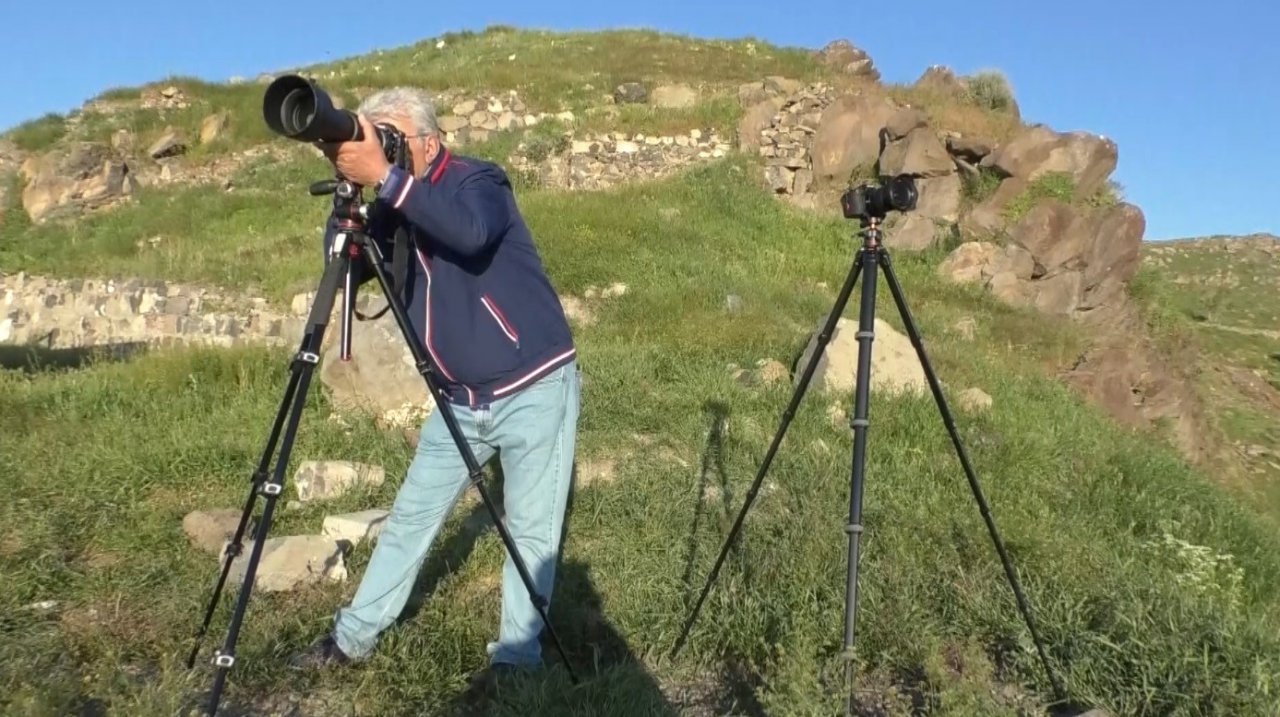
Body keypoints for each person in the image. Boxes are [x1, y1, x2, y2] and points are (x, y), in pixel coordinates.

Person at [289, 87, 581, 680]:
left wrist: (386, 179)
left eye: (390, 135)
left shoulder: (479, 182)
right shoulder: (392, 210)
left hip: (533, 385)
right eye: (375, 135)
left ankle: (517, 659)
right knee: (410, 519)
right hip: (457, 401)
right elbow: (343, 265)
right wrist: (348, 196)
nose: (384, 147)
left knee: (529, 529)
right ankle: (352, 638)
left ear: (429, 139)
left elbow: (469, 233)